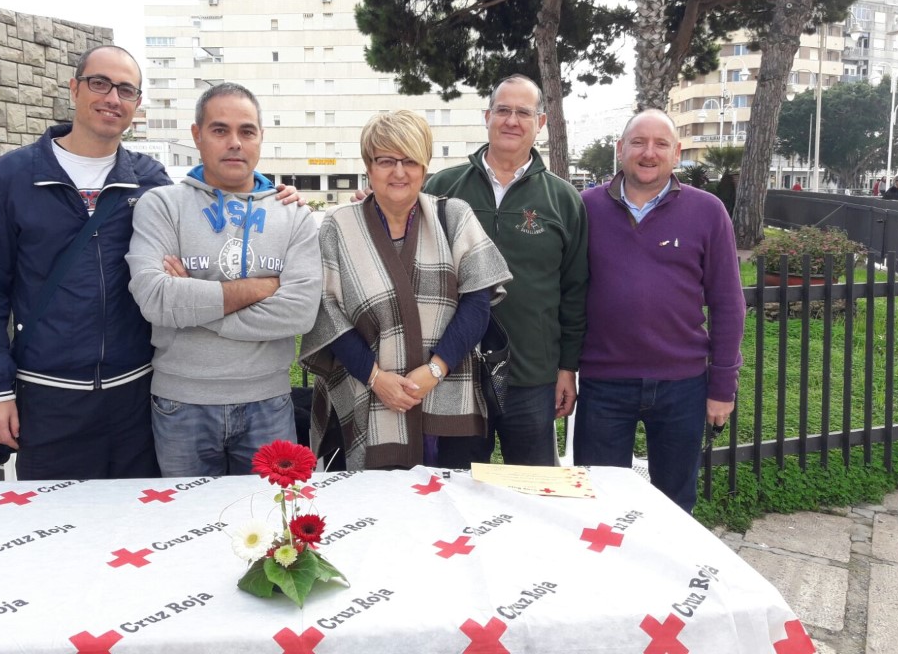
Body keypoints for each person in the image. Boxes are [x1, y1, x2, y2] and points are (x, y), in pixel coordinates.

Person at [0, 45, 168, 480]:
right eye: (100, 83)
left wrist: (272, 193)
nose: (112, 97)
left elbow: (214, 204)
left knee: (136, 532)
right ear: (75, 89)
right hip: (47, 399)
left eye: (126, 90)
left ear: (136, 104)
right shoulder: (10, 178)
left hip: (137, 397)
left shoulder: (151, 180)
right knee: (57, 532)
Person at [126, 82, 321, 477]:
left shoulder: (294, 215)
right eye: (220, 130)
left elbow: (300, 313)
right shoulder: (162, 206)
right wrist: (263, 287)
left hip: (268, 401)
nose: (235, 142)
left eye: (246, 131)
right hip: (181, 404)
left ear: (261, 138)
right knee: (188, 528)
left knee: (268, 525)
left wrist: (191, 306)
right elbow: (154, 299)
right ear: (197, 135)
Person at [300, 110, 511, 471]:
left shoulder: (454, 217)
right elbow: (328, 312)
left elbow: (477, 303)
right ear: (369, 166)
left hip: (448, 394)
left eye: (410, 161)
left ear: (425, 166)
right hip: (367, 394)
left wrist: (434, 370)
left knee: (448, 512)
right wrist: (376, 378)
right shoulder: (338, 226)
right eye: (386, 161)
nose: (399, 172)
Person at [573, 109, 745, 513]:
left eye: (660, 144)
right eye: (638, 142)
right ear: (620, 150)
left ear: (676, 153)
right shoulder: (584, 208)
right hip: (604, 384)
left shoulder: (708, 211)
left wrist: (722, 386)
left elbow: (728, 303)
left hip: (682, 385)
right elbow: (567, 295)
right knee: (598, 502)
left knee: (674, 506)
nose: (648, 153)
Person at [421, 75, 589, 467]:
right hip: (455, 370)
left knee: (531, 492)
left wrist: (567, 368)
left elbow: (575, 290)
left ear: (541, 122)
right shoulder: (441, 189)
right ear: (488, 116)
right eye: (503, 110)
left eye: (523, 112)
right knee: (455, 488)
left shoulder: (563, 199)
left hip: (530, 374)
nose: (512, 120)